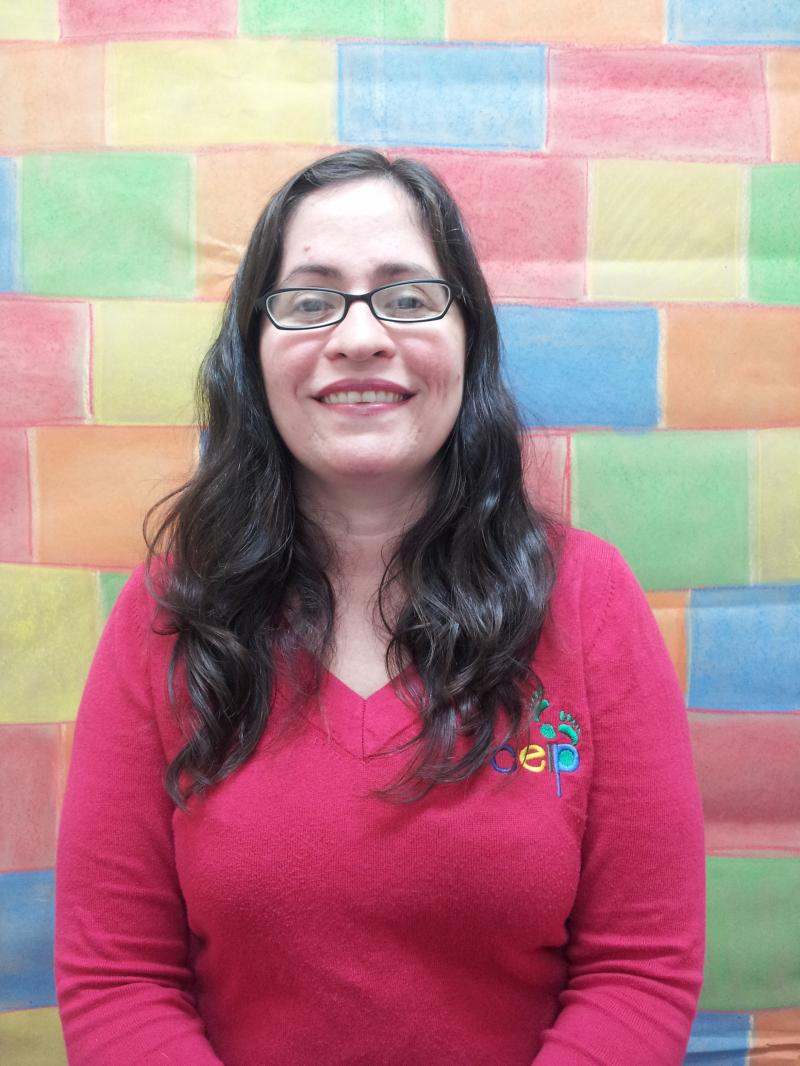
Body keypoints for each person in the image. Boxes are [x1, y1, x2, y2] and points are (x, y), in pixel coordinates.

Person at [55, 148, 705, 1065]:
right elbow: (119, 980)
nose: (359, 336)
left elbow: (639, 972)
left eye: (406, 297)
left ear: (469, 338)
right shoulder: (167, 612)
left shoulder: (589, 598)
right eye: (310, 301)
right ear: (252, 350)